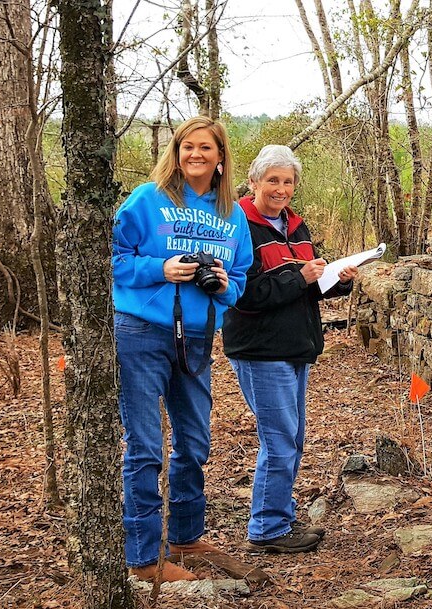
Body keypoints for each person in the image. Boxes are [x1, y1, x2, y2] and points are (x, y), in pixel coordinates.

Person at [112, 116, 253, 582]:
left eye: (205, 148)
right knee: (146, 446)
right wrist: (160, 268)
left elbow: (241, 279)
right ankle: (143, 558)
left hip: (195, 337)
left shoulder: (232, 213)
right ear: (176, 151)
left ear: (220, 157)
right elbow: (112, 255)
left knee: (194, 442)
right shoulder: (148, 199)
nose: (196, 155)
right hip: (141, 332)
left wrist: (220, 286)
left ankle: (187, 538)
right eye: (187, 146)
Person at [223, 145, 358, 553]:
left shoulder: (296, 226)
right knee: (280, 440)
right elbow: (241, 293)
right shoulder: (237, 225)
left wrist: (340, 278)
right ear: (254, 182)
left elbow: (309, 286)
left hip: (297, 345)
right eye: (273, 181)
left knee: (293, 438)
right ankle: (267, 529)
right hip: (260, 348)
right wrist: (299, 278)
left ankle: (278, 516)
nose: (281, 189)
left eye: (287, 181)